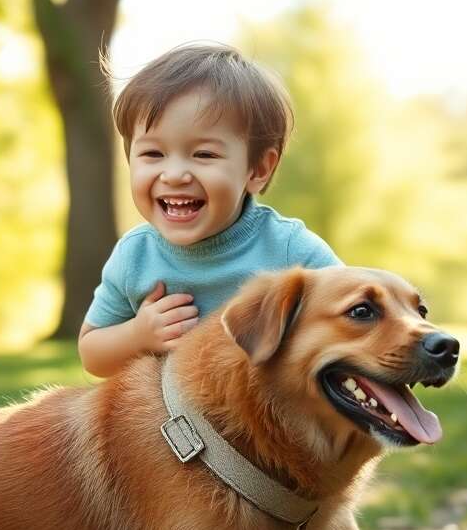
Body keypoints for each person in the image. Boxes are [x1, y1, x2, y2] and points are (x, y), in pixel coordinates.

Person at [78, 42, 340, 377]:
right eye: (153, 155)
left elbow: (353, 314)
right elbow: (92, 354)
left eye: (203, 155)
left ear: (258, 169)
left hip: (264, 424)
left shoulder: (289, 249)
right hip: (170, 426)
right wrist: (138, 335)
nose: (173, 175)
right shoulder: (135, 256)